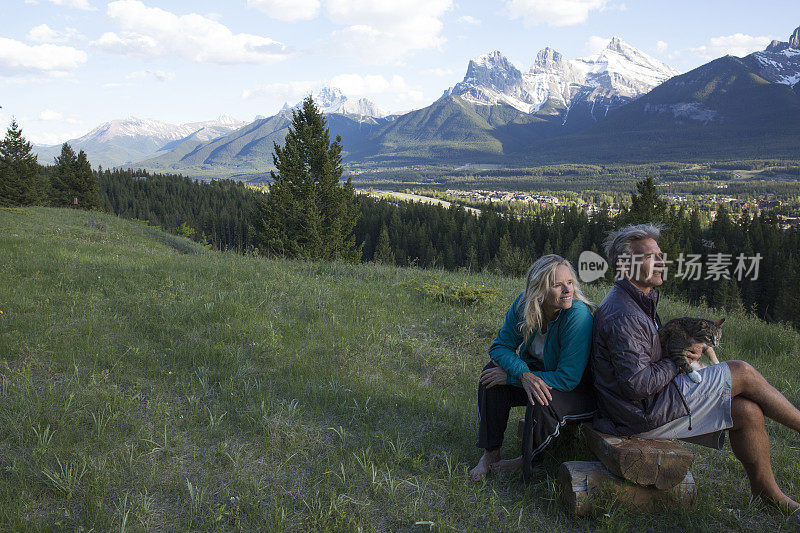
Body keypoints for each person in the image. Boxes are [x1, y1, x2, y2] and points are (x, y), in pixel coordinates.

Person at [591, 223, 800, 513]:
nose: (663, 262)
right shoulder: (624, 314)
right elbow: (635, 385)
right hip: (640, 414)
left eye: (661, 255)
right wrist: (679, 360)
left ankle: (766, 494)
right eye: (652, 257)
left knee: (747, 411)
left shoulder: (637, 299)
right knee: (742, 371)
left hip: (643, 406)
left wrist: (678, 349)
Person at [469, 254, 596, 482]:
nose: (567, 290)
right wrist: (523, 374)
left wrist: (513, 378)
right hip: (540, 374)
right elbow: (500, 347)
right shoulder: (524, 304)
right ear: (539, 290)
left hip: (577, 389)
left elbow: (568, 378)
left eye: (569, 282)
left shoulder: (577, 316)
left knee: (540, 394)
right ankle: (490, 452)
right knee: (490, 376)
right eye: (557, 285)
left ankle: (526, 460)